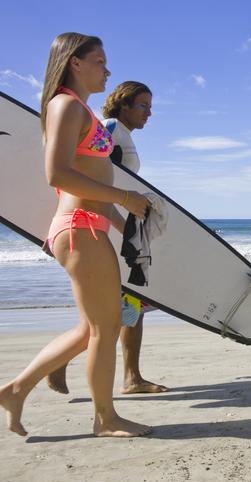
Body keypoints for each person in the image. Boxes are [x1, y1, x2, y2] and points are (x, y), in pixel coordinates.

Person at [0, 33, 151, 437]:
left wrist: (125, 221)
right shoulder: (66, 105)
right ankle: (106, 419)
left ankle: (16, 390)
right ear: (75, 63)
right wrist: (125, 195)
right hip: (80, 228)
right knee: (104, 329)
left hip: (89, 225)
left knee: (90, 330)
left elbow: (86, 178)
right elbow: (59, 174)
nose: (108, 69)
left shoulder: (77, 108)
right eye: (100, 61)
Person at [46, 81, 168, 395]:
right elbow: (84, 173)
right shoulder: (110, 128)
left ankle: (130, 376)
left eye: (150, 107)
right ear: (124, 105)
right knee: (120, 310)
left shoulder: (122, 134)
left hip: (114, 226)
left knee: (130, 307)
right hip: (103, 227)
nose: (149, 113)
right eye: (143, 105)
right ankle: (118, 376)